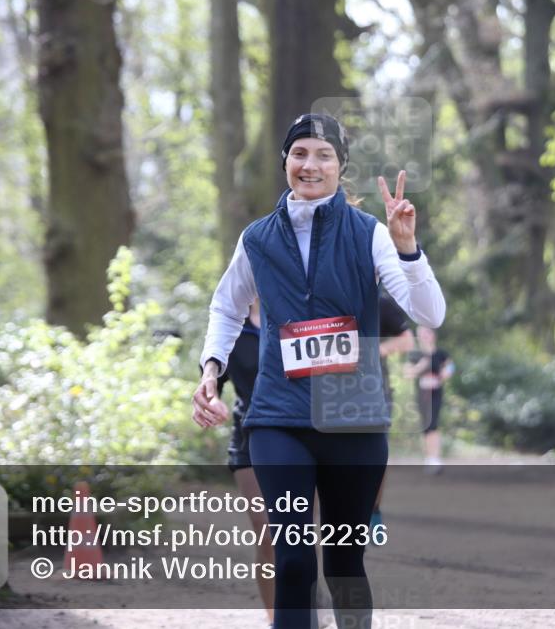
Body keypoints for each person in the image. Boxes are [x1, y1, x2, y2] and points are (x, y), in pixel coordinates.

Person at [193, 113, 445, 629]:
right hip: (278, 417)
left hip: (354, 421)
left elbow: (429, 313)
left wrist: (407, 248)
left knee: (345, 563)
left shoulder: (371, 234)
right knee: (292, 558)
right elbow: (226, 307)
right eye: (300, 153)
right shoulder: (257, 238)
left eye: (323, 155)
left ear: (340, 166)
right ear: (285, 160)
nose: (310, 165)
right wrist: (211, 370)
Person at [214, 300, 276, 625]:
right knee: (266, 532)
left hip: (299, 435)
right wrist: (210, 402)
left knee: (299, 531)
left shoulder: (291, 311)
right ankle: (273, 617)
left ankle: (303, 606)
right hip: (248, 436)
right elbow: (212, 383)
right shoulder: (228, 327)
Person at [369, 292, 414, 535]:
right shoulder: (322, 295)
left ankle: (374, 509)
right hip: (330, 390)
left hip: (376, 388)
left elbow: (407, 340)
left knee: (375, 454)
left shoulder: (379, 301)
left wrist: (375, 349)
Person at [405, 326, 454, 474]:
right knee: (426, 426)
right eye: (420, 334)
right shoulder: (416, 355)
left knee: (433, 424)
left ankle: (435, 458)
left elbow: (451, 366)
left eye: (426, 333)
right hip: (422, 394)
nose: (424, 337)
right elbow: (407, 373)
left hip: (436, 392)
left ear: (433, 335)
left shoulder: (440, 353)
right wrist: (420, 367)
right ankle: (430, 458)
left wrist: (447, 373)